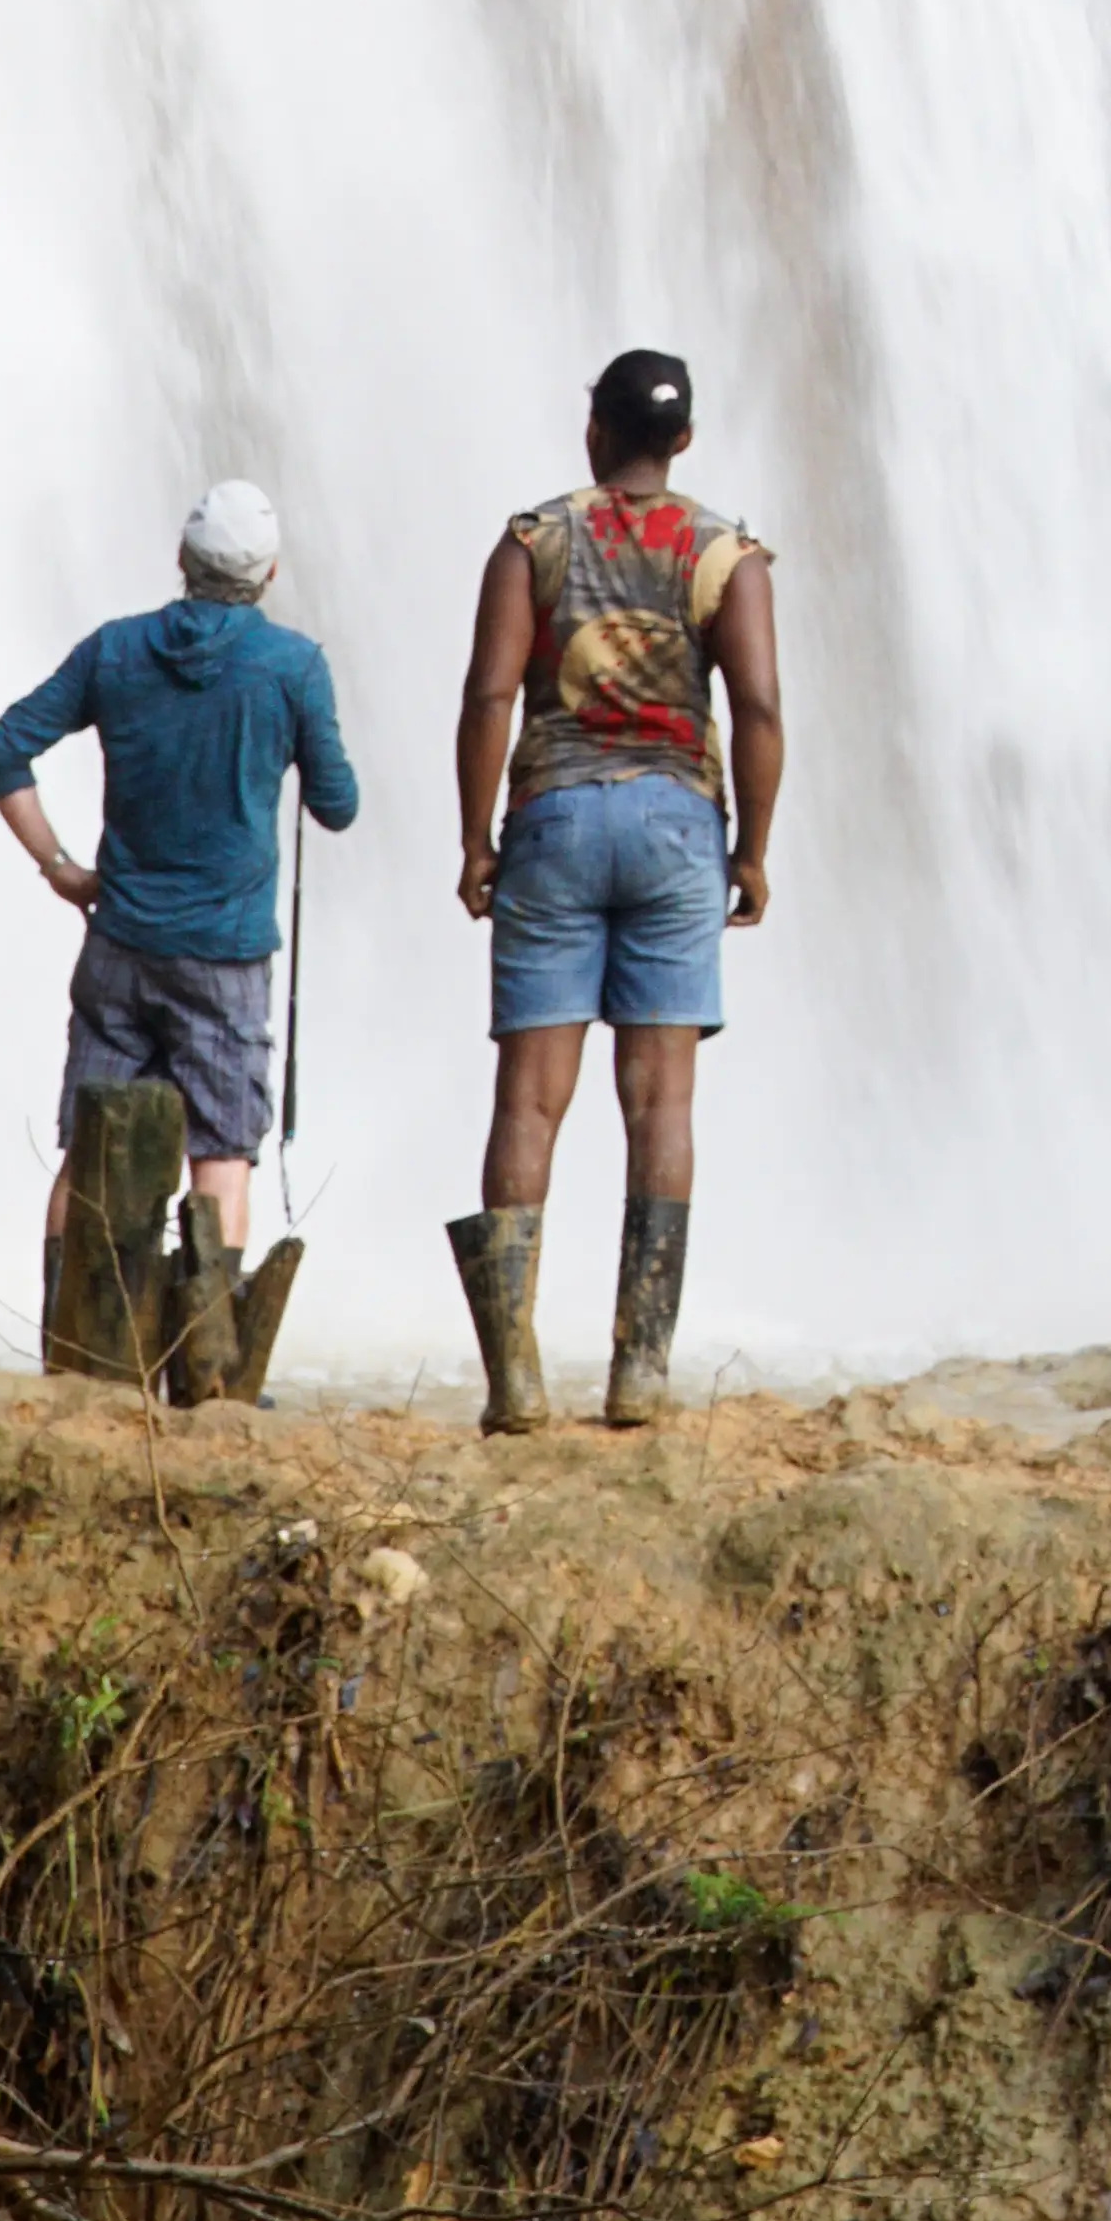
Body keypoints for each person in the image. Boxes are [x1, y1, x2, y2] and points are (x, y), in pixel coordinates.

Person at [447, 348, 780, 1434]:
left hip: (552, 818)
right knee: (661, 1104)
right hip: (678, 825)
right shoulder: (726, 556)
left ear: (594, 428)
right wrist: (754, 852)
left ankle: (515, 1379)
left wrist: (473, 840)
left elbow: (491, 692)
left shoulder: (535, 541)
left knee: (531, 1102)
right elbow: (763, 711)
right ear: (681, 441)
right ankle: (640, 1370)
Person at [0, 480, 359, 1391]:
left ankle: (73, 1363)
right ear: (267, 571)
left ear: (181, 561)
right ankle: (206, 1377)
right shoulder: (293, 665)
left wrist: (60, 865)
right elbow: (338, 806)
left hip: (119, 946)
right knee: (220, 1155)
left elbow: (1, 749)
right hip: (225, 959)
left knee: (90, 1150)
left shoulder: (115, 652)